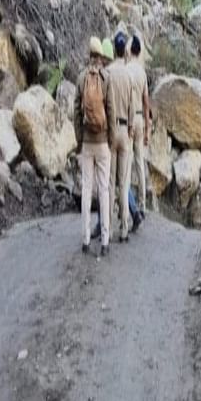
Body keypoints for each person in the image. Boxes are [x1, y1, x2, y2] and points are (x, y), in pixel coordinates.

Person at [78, 37, 113, 258]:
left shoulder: (81, 78)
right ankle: (106, 241)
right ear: (100, 57)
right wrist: (108, 139)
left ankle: (85, 239)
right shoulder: (105, 78)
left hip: (86, 143)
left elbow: (75, 111)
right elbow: (110, 109)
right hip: (102, 143)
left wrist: (79, 138)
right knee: (104, 190)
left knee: (86, 190)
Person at [106, 30, 136, 242]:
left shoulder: (107, 73)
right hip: (125, 131)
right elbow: (133, 106)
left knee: (108, 182)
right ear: (124, 49)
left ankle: (107, 227)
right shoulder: (128, 74)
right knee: (123, 182)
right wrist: (132, 127)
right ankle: (124, 226)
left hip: (110, 131)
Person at [127, 34, 153, 220]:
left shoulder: (127, 70)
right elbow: (146, 102)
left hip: (129, 119)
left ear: (129, 50)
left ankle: (130, 206)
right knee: (139, 163)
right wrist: (148, 127)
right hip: (140, 119)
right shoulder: (142, 73)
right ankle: (143, 204)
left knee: (127, 164)